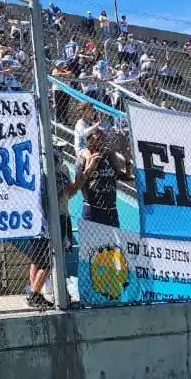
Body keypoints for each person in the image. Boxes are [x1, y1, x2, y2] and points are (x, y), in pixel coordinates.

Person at [15, 155, 82, 309]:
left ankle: (36, 293)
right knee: (46, 258)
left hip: (61, 213)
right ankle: (34, 293)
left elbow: (67, 194)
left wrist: (77, 182)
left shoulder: (63, 168)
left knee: (43, 258)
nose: (60, 153)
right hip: (46, 217)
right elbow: (49, 196)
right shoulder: (40, 168)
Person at [74, 127, 129, 227]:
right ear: (89, 140)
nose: (102, 141)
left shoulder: (109, 156)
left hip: (111, 210)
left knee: (114, 243)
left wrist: (127, 160)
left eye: (103, 138)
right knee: (92, 242)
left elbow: (125, 177)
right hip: (93, 209)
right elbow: (77, 185)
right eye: (98, 138)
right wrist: (91, 167)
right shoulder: (83, 159)